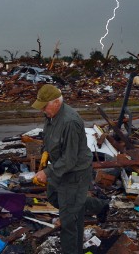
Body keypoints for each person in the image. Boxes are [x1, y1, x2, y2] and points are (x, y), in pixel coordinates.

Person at [32, 84, 109, 254]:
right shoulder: (51, 116)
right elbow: (49, 137)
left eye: (45, 106)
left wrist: (47, 172)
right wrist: (45, 151)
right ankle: (98, 206)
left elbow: (70, 159)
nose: (43, 110)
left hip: (75, 172)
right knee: (54, 197)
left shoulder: (70, 122)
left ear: (56, 102)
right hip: (61, 168)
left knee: (69, 221)